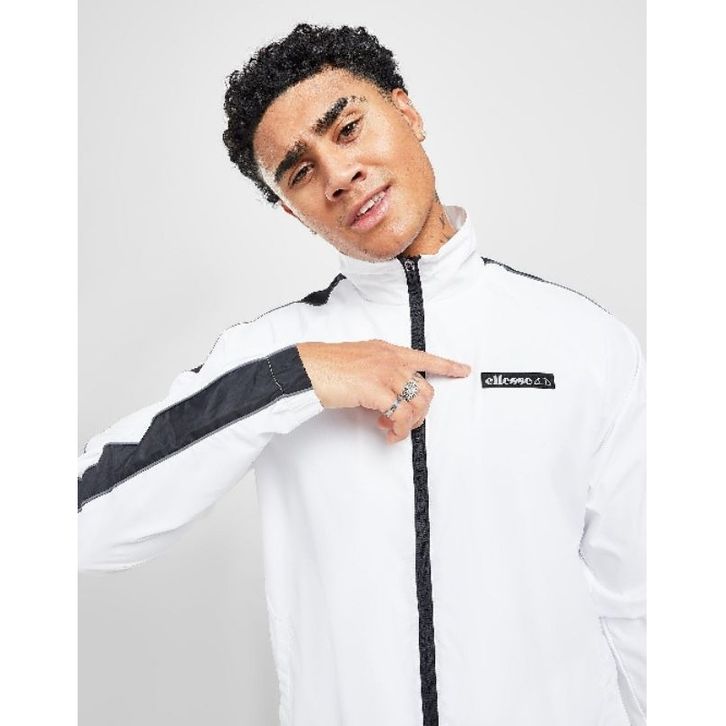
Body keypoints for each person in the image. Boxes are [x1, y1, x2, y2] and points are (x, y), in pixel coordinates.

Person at [78, 23, 646, 726]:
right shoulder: (269, 354)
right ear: (291, 211)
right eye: (300, 172)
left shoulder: (584, 339)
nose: (339, 175)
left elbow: (644, 602)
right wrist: (298, 377)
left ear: (407, 112)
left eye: (347, 129)